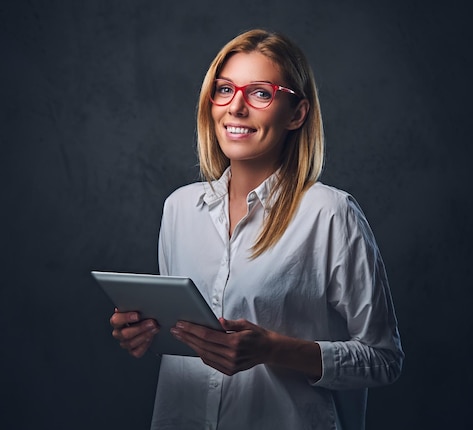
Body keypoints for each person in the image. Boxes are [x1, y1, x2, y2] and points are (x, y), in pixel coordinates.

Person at [110, 28, 403, 430]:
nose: (236, 107)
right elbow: (182, 335)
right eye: (225, 89)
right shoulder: (180, 208)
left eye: (261, 93)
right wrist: (144, 331)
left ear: (297, 113)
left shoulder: (330, 213)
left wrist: (273, 349)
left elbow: (383, 359)